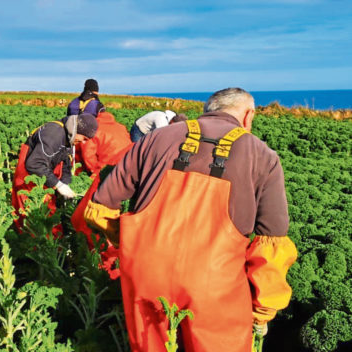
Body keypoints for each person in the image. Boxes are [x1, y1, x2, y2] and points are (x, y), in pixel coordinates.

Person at [84, 88, 297, 352]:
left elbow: (100, 207)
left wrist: (130, 245)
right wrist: (263, 310)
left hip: (148, 273)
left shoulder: (155, 138)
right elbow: (272, 244)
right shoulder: (263, 156)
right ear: (248, 115)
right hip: (216, 285)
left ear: (208, 110)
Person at [70, 111, 133, 278]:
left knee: (95, 227)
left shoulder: (94, 130)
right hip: (126, 166)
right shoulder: (120, 127)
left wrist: (91, 172)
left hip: (108, 171)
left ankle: (103, 273)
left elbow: (89, 156)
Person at [12, 113, 98, 233]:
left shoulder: (68, 135)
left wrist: (66, 183)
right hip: (28, 183)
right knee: (33, 224)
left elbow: (65, 162)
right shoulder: (53, 134)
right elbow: (34, 164)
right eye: (84, 138)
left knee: (49, 221)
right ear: (77, 130)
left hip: (45, 181)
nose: (84, 143)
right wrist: (59, 185)